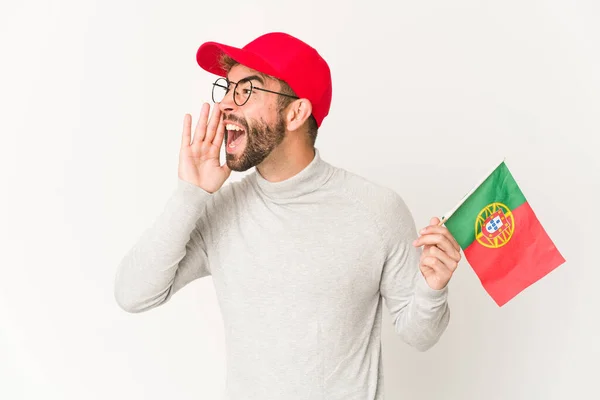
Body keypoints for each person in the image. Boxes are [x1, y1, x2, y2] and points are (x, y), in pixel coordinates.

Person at [114, 31, 462, 400]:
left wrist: (433, 287)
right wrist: (191, 194)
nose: (225, 106)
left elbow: (419, 335)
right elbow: (133, 295)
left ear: (296, 113)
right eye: (227, 89)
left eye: (246, 91)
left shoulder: (376, 209)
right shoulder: (219, 209)